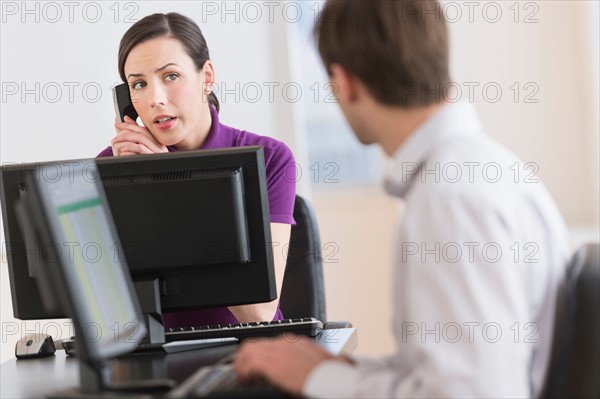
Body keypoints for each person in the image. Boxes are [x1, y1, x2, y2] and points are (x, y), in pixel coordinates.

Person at [234, 1, 570, 397]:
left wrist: (318, 379)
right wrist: (336, 368)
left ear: (344, 82)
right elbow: (443, 374)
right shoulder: (480, 169)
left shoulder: (449, 199)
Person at [97, 12, 296, 328]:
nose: (155, 99)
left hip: (251, 353)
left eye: (171, 76)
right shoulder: (110, 166)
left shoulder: (270, 159)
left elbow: (258, 313)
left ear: (206, 77)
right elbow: (106, 316)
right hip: (155, 361)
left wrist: (169, 184)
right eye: (139, 84)